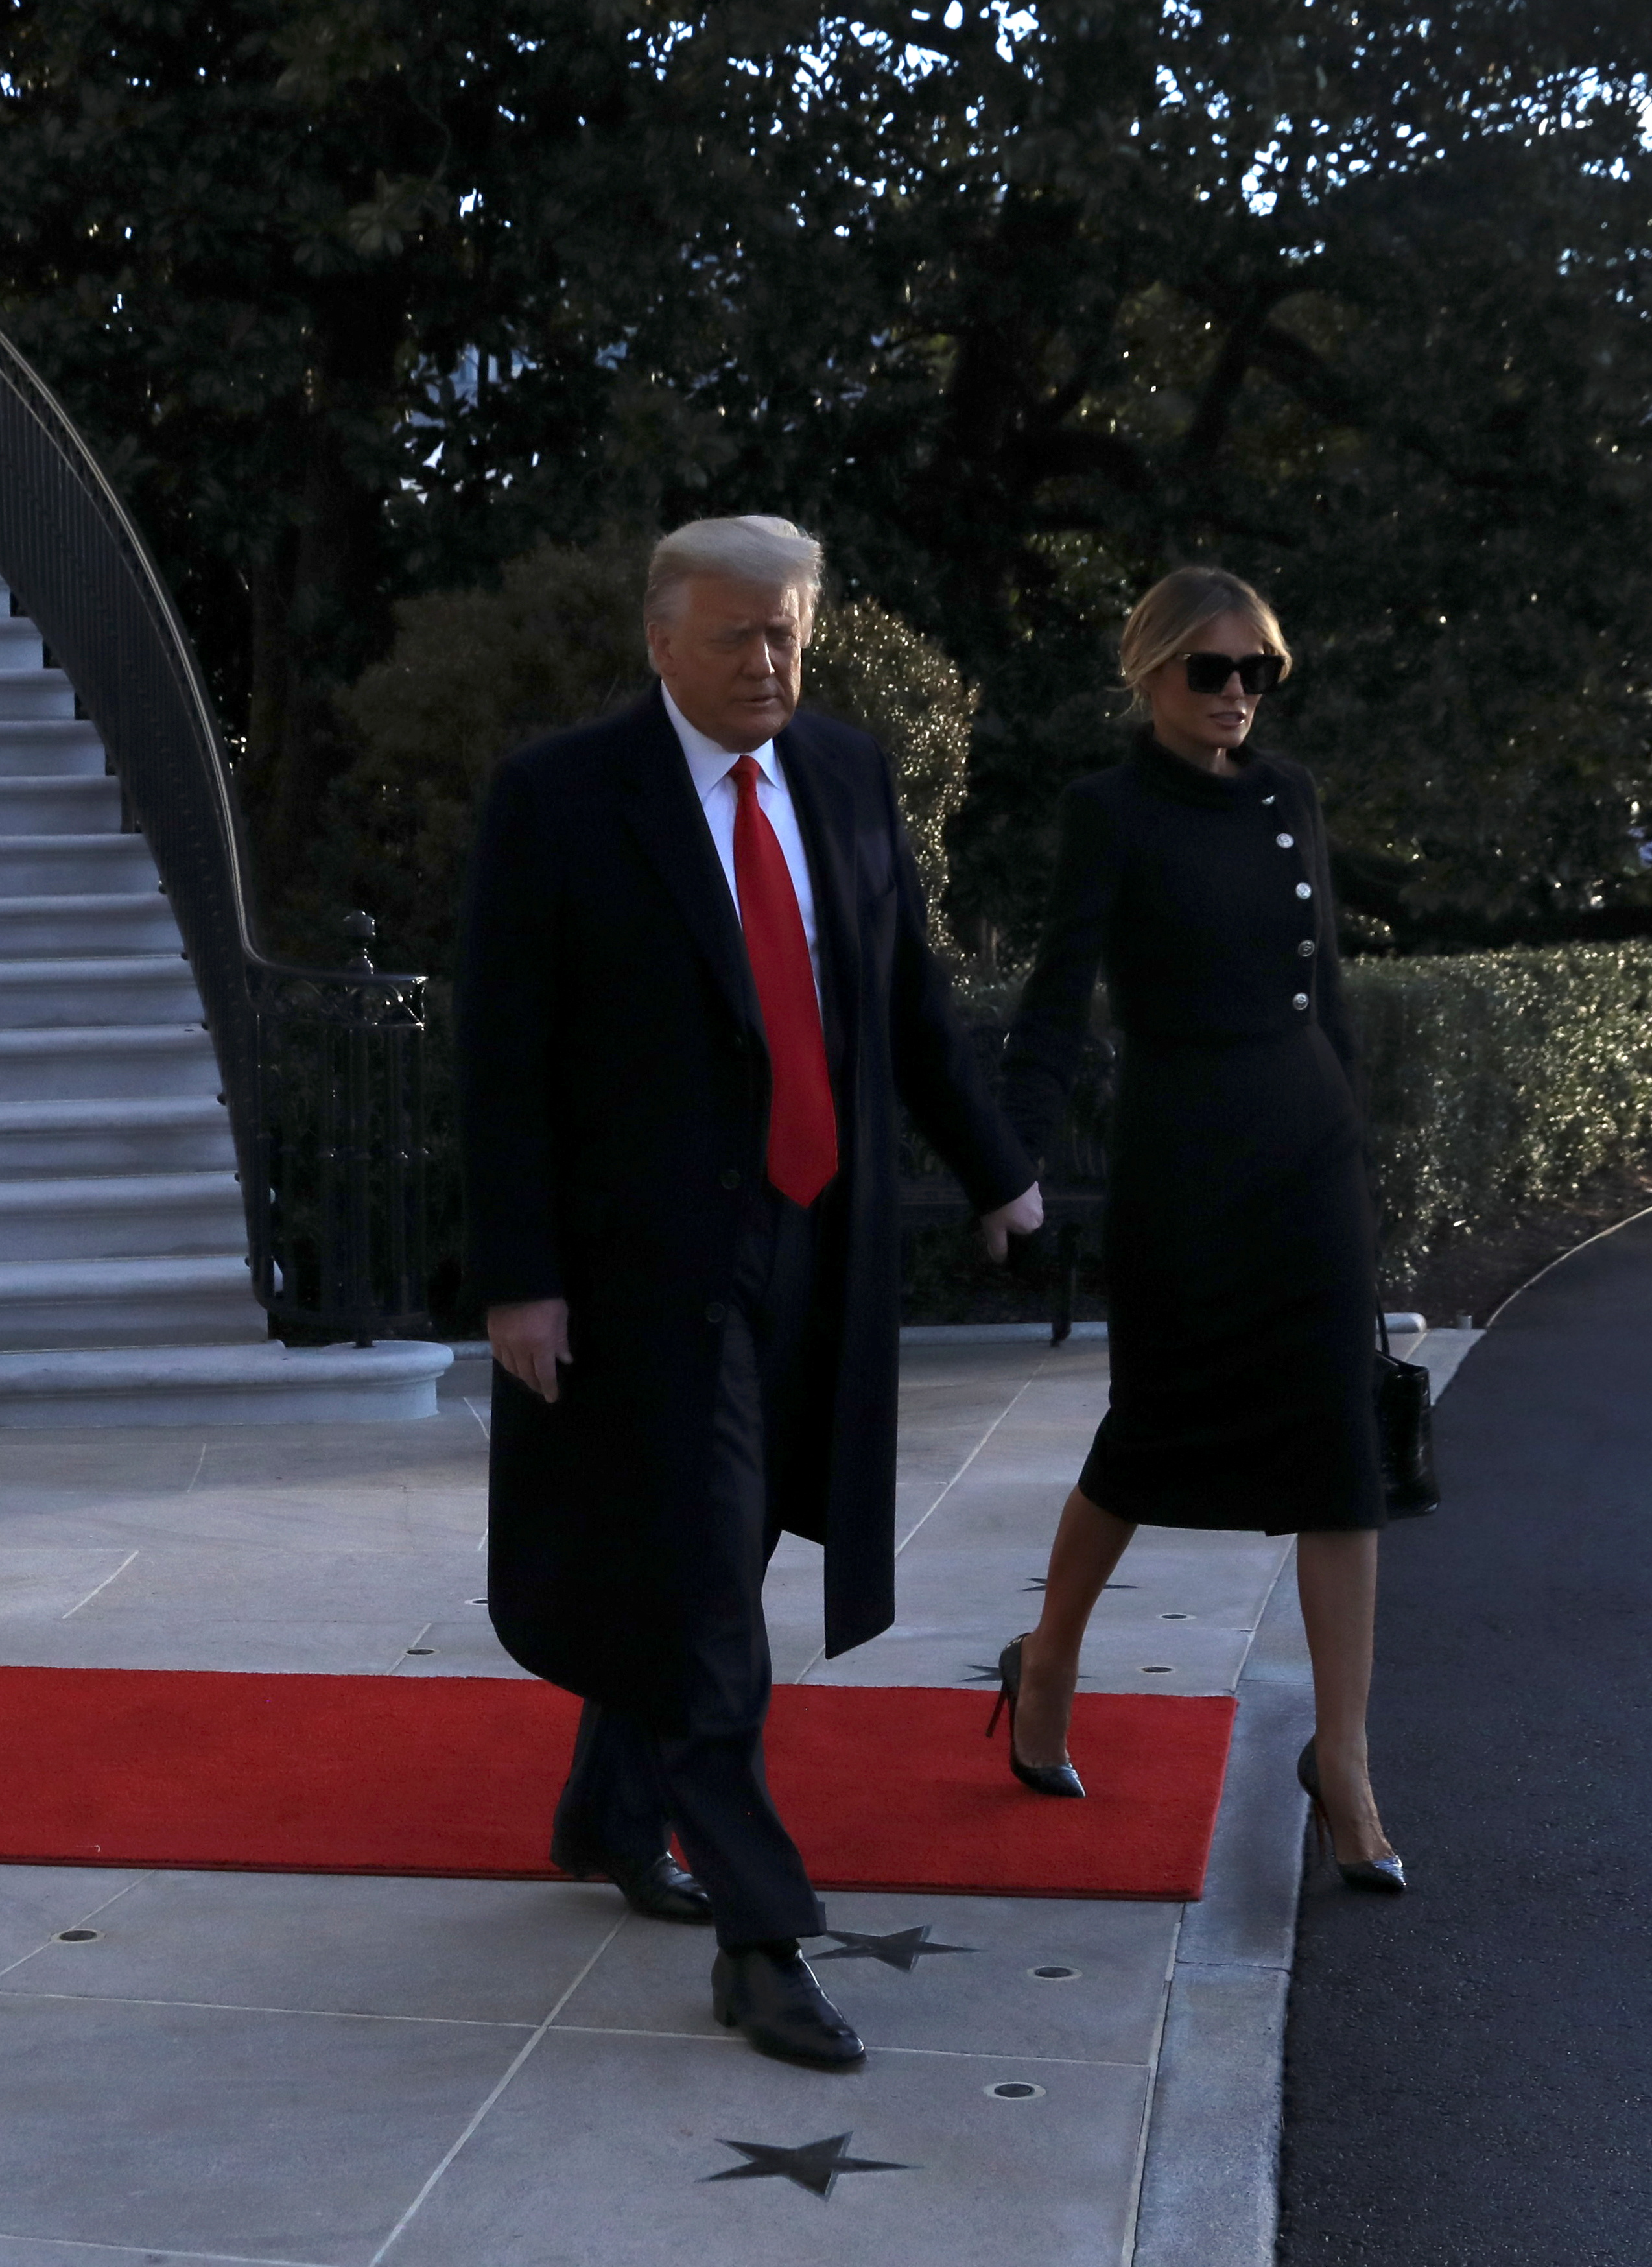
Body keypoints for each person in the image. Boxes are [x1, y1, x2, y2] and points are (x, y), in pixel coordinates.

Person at [457, 515, 1044, 2068]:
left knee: (712, 1545)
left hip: (814, 1246)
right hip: (646, 1271)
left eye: (786, 632)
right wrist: (516, 1278)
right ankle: (760, 1935)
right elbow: (500, 1059)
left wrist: (995, 1167)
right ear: (658, 637)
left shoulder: (843, 776)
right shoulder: (562, 798)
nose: (767, 661)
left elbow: (903, 990)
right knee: (711, 1580)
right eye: (735, 634)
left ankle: (604, 1805)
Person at [991, 566, 1421, 1894]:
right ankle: (1050, 1653)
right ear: (1150, 674)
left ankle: (1341, 1758)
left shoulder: (1289, 797)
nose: (1236, 695)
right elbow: (1060, 998)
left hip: (1307, 1148)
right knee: (1151, 1433)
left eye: (1258, 673)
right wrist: (1010, 1155)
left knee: (1341, 1445)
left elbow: (1328, 990)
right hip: (1185, 1158)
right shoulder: (1106, 812)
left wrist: (1360, 1164)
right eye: (1210, 670)